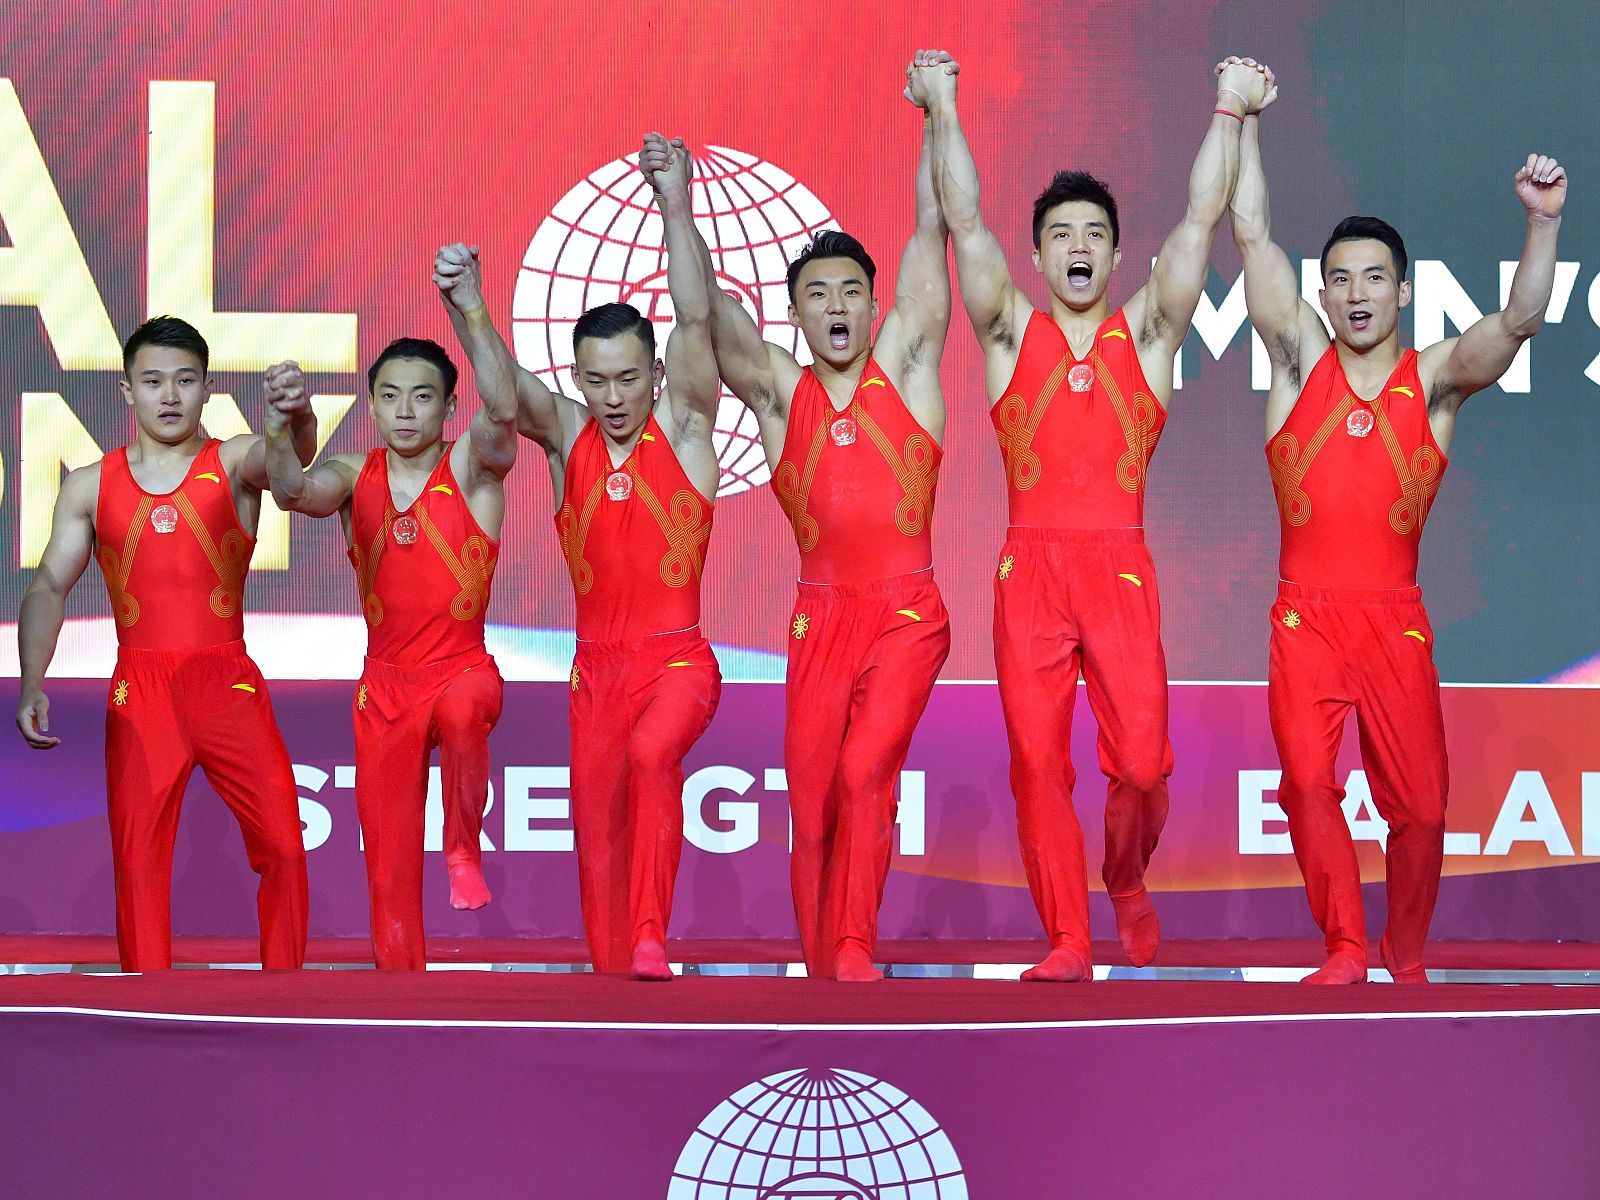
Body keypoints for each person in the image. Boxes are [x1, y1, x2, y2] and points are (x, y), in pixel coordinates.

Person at [925, 54, 1273, 980]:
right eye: (1060, 235)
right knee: (1038, 766)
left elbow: (1199, 220)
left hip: (1118, 571)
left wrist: (1229, 107)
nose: (1077, 247)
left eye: (1094, 234)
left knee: (1145, 769)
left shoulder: (1149, 336)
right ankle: (1067, 939)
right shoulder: (1010, 334)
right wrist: (946, 105)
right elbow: (964, 219)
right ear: (1038, 257)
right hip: (1029, 575)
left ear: (1118, 258)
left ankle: (1124, 875)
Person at [1230, 69, 1568, 984]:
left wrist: (1542, 223)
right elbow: (1252, 234)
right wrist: (1246, 120)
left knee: (1420, 810)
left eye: (1374, 278)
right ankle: (1344, 947)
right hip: (1306, 621)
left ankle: (1403, 957)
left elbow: (1522, 319)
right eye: (1339, 280)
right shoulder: (1298, 361)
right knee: (1307, 785)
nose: (1356, 294)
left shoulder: (1437, 382)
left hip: (1395, 624)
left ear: (1404, 292)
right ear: (1324, 295)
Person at [644, 51, 954, 982]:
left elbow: (932, 229)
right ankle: (825, 974)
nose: (837, 306)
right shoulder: (781, 396)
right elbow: (702, 313)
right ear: (795, 315)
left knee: (865, 773)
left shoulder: (906, 365)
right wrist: (677, 204)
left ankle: (854, 947)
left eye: (851, 291)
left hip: (907, 614)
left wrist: (935, 113)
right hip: (819, 622)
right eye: (818, 295)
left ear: (874, 305)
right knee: (814, 807)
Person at [435, 236, 723, 981]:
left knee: (652, 756)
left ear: (657, 375)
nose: (615, 398)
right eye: (597, 382)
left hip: (678, 663)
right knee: (597, 844)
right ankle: (613, 979)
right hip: (595, 676)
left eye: (629, 379)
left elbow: (695, 319)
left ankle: (652, 936)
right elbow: (504, 394)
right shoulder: (569, 438)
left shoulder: (686, 428)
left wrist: (674, 199)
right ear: (578, 379)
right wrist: (469, 306)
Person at [16, 316, 313, 970]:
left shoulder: (234, 461)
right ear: (127, 391)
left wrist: (295, 417)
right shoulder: (89, 485)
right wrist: (33, 679)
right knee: (138, 864)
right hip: (140, 691)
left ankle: (285, 995)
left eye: (185, 381)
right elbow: (48, 587)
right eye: (153, 382)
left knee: (284, 848)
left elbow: (290, 472)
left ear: (207, 388)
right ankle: (147, 1006)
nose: (170, 396)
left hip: (225, 683)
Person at [264, 334, 516, 969]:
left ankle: (462, 848)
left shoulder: (471, 469)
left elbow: (503, 410)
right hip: (384, 690)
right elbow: (292, 492)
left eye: (422, 397)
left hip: (462, 670)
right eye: (390, 396)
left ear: (449, 407)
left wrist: (470, 309)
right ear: (372, 405)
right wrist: (279, 427)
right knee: (388, 866)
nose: (405, 411)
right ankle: (400, 987)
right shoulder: (354, 476)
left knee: (462, 713)